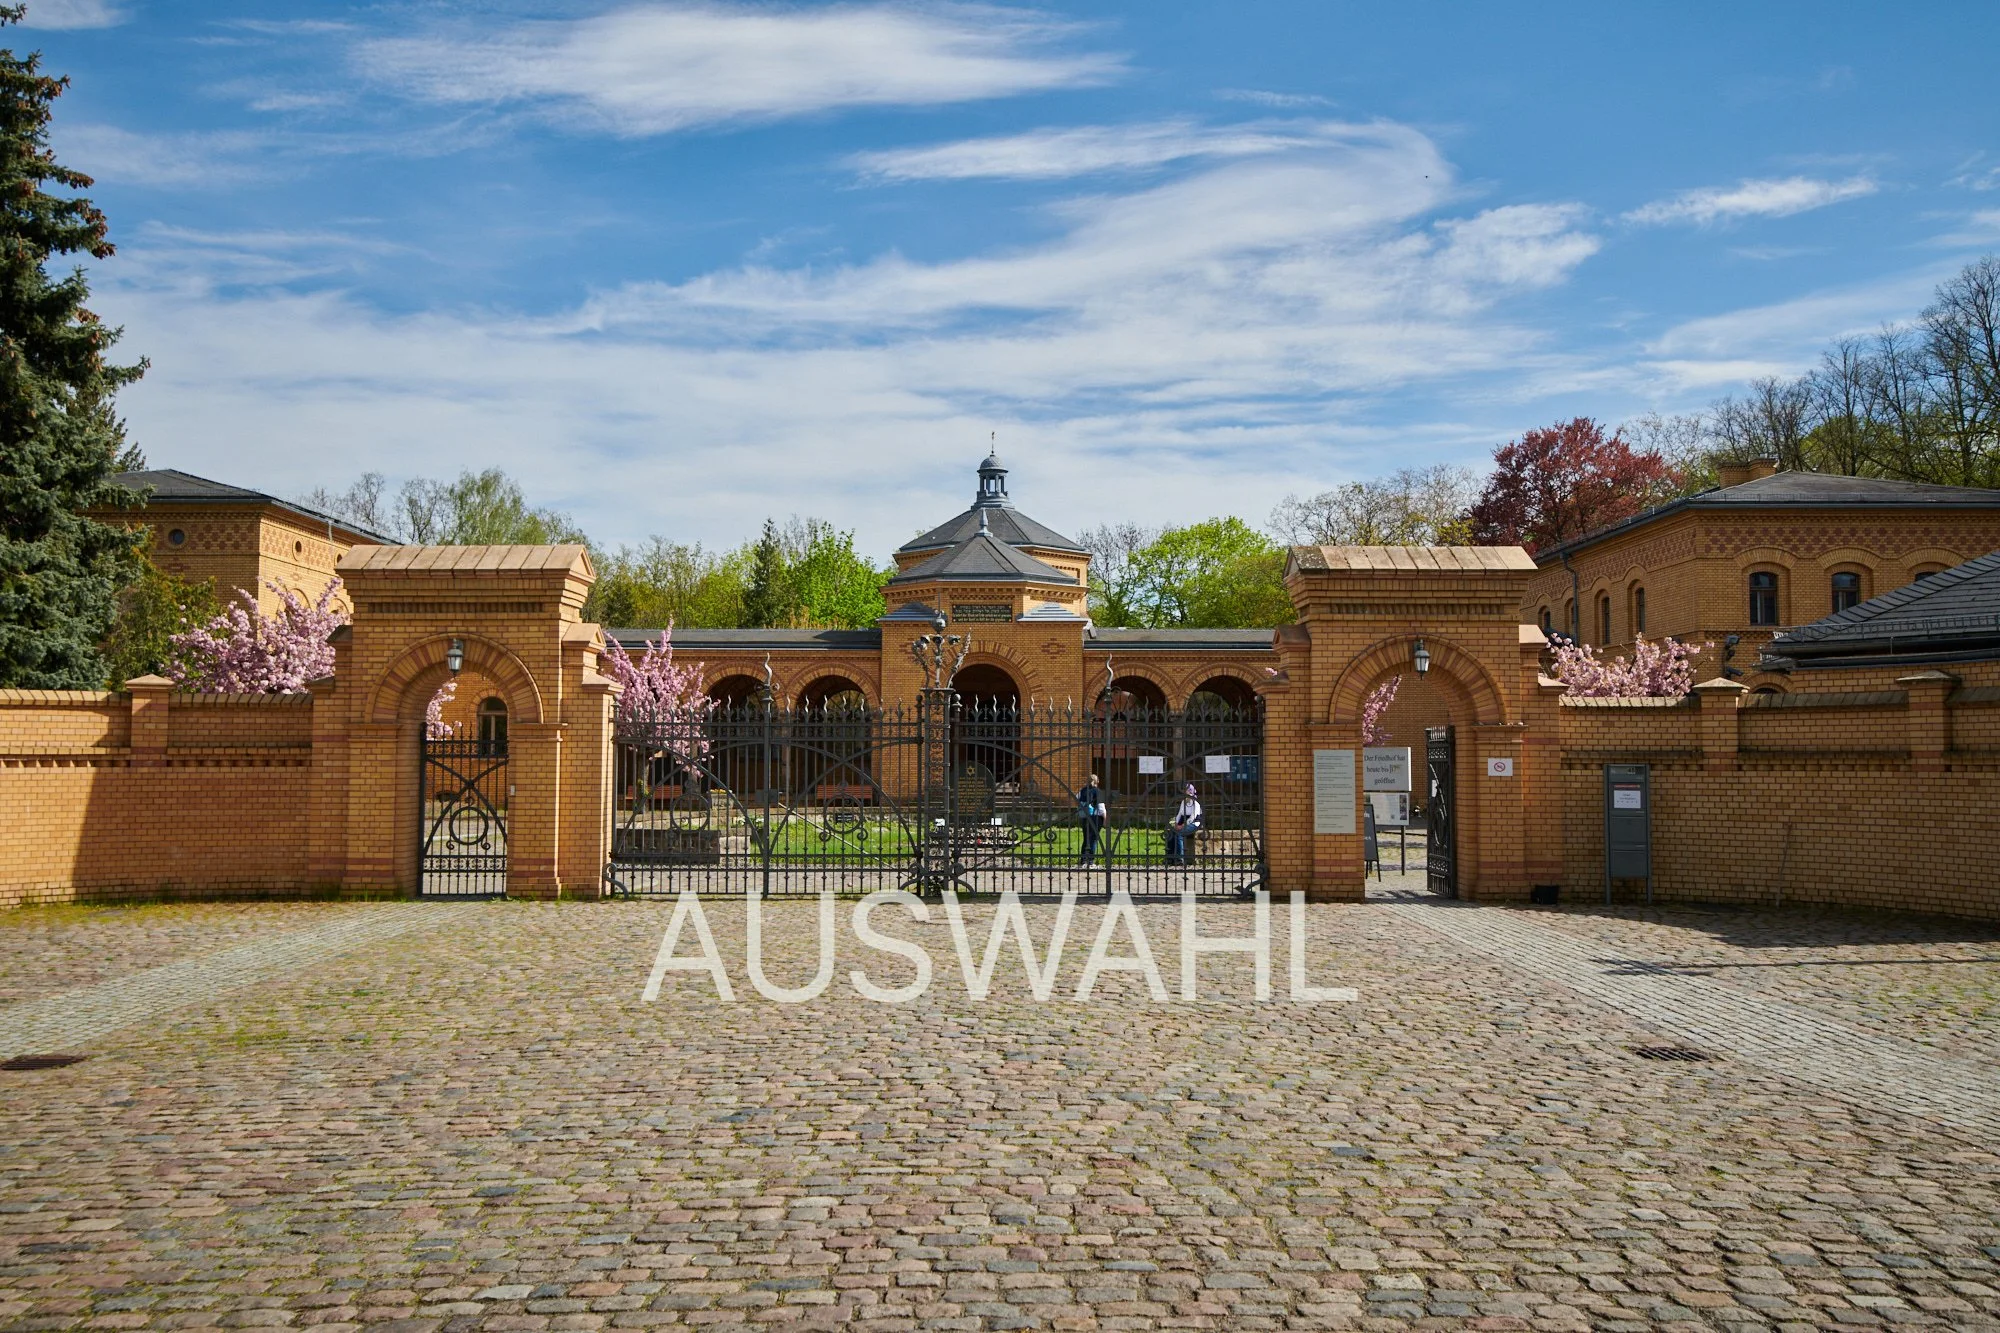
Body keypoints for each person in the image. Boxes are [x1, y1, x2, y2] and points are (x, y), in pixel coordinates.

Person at [1165, 783, 1202, 866]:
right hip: (1183, 824)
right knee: (1170, 833)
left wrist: (1181, 826)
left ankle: (1179, 859)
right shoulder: (1183, 802)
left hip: (1194, 824)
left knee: (1179, 833)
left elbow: (1192, 818)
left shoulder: (1196, 803)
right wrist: (1176, 824)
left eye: (1187, 792)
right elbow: (1179, 815)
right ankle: (1170, 858)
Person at [1076, 773, 1106, 865]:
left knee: (1086, 839)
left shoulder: (1082, 791)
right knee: (1093, 839)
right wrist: (1105, 820)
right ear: (1098, 781)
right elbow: (1101, 809)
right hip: (1096, 818)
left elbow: (1077, 799)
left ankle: (1083, 860)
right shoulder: (1098, 792)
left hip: (1085, 817)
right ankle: (1090, 862)